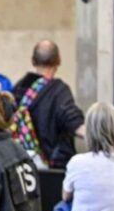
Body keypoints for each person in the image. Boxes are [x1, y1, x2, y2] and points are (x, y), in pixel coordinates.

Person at [11, 40, 85, 169]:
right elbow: (74, 123)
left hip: (24, 168)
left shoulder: (18, 89)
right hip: (53, 168)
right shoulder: (59, 90)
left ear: (33, 60)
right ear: (59, 60)